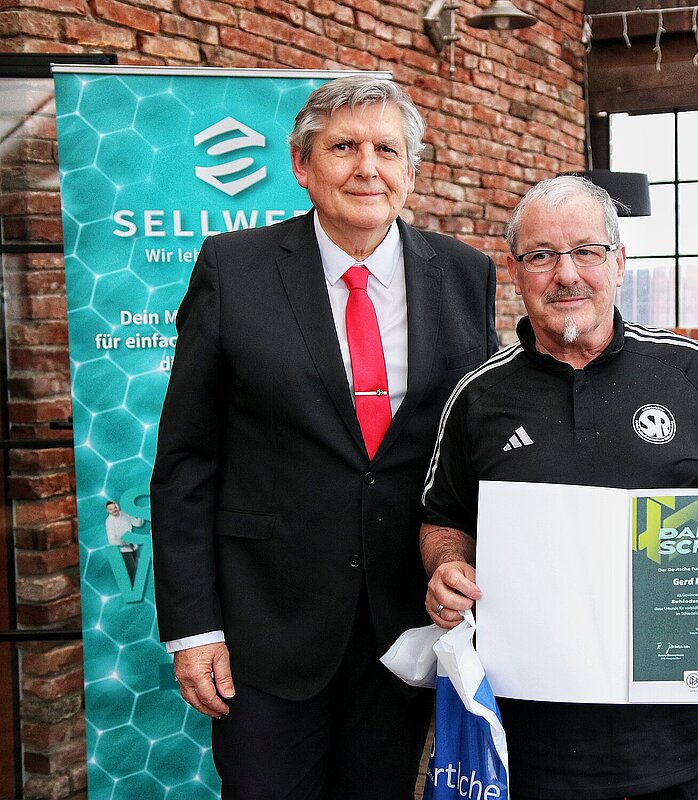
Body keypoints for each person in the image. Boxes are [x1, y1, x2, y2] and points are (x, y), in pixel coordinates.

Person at [150, 75, 498, 798]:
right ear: (302, 165)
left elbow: (478, 442)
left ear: (411, 172)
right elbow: (187, 461)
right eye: (343, 147)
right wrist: (193, 629)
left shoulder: (466, 275)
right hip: (265, 630)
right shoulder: (233, 269)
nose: (367, 168)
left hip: (406, 627)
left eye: (387, 150)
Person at [419, 175, 698, 800]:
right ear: (516, 271)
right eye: (542, 256)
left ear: (619, 262)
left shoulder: (689, 370)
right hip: (532, 750)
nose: (566, 274)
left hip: (688, 745)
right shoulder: (477, 395)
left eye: (586, 251)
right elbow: (442, 518)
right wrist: (447, 567)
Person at [104, 500, 144, 583]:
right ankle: (134, 589)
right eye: (111, 509)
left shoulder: (125, 514)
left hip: (134, 547)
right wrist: (124, 542)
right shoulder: (109, 522)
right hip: (123, 550)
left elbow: (138, 523)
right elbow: (111, 540)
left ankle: (136, 588)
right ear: (107, 511)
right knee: (132, 571)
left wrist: (141, 514)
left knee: (136, 570)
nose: (114, 510)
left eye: (115, 507)